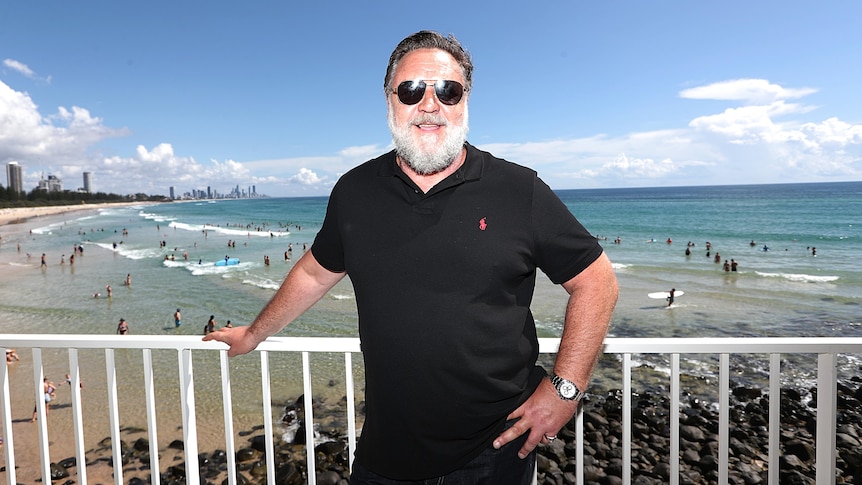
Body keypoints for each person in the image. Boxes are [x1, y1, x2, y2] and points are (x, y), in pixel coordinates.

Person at [203, 30, 617, 484]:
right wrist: (254, 334)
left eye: (448, 90)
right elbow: (313, 274)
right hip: (387, 450)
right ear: (389, 101)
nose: (429, 104)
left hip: (495, 451)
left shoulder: (519, 190)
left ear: (465, 102)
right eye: (411, 90)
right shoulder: (354, 192)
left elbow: (596, 281)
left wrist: (565, 389)